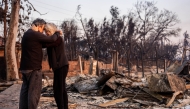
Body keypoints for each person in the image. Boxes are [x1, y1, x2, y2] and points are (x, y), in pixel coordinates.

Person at [19, 18, 61, 109]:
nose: (42, 32)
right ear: (39, 26)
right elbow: (51, 39)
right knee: (34, 93)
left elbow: (43, 44)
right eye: (43, 29)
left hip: (25, 68)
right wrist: (57, 33)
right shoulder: (35, 34)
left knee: (25, 92)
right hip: (34, 68)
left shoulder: (27, 34)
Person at [43, 23, 69, 109]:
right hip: (59, 67)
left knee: (58, 89)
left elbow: (47, 44)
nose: (46, 33)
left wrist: (57, 33)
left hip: (61, 66)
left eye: (48, 31)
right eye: (46, 32)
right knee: (61, 88)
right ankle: (64, 107)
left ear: (52, 31)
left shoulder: (58, 39)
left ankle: (61, 107)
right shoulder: (53, 38)